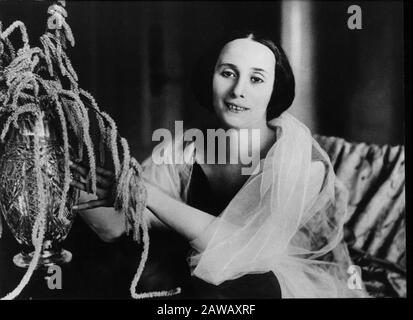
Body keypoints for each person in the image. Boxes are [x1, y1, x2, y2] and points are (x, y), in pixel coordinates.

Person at [69, 30, 367, 298]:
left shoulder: (301, 160)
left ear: (274, 90)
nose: (238, 90)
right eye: (228, 73)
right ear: (209, 78)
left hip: (275, 283)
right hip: (201, 280)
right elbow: (116, 229)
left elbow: (245, 253)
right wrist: (71, 173)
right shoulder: (185, 148)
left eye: (256, 79)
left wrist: (147, 194)